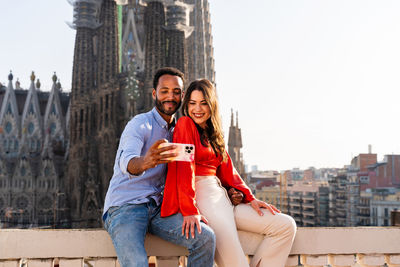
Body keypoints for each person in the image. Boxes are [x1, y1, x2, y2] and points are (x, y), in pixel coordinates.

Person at [161, 79, 297, 267]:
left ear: (212, 105)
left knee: (285, 226)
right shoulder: (185, 125)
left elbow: (229, 172)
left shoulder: (213, 134)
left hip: (222, 199)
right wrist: (189, 210)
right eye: (192, 103)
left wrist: (250, 199)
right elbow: (183, 167)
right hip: (203, 198)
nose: (197, 109)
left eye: (203, 103)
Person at [103, 68, 216, 267]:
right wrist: (145, 161)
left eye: (175, 92)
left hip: (158, 210)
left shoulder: (181, 130)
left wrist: (235, 191)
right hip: (125, 207)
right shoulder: (140, 124)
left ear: (182, 96)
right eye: (164, 91)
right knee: (137, 264)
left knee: (205, 238)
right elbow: (126, 161)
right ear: (154, 93)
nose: (170, 96)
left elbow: (199, 166)